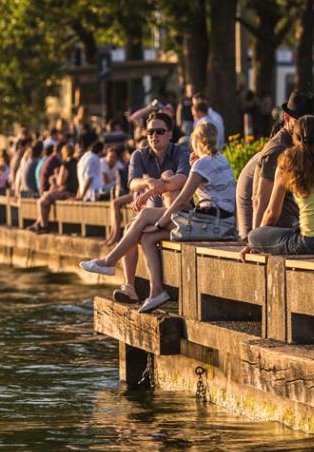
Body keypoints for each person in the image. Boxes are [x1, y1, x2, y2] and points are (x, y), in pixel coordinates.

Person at [81, 121, 233, 313]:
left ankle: (109, 261)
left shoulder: (202, 164)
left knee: (145, 214)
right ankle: (157, 291)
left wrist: (161, 223)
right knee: (146, 237)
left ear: (196, 141)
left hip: (211, 223)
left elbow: (180, 202)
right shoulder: (221, 159)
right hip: (219, 222)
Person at [81, 111, 189, 303]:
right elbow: (132, 183)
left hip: (178, 214)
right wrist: (148, 182)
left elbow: (181, 180)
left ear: (170, 134)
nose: (154, 136)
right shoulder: (139, 154)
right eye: (150, 133)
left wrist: (152, 189)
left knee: (166, 177)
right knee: (132, 227)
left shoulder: (181, 152)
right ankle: (130, 287)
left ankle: (111, 263)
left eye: (160, 131)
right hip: (154, 217)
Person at [245, 115, 314, 256]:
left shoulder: (288, 163)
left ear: (294, 138)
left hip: (308, 243)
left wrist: (258, 243)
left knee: (254, 235)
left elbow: (272, 214)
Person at [250, 92, 314, 234]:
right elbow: (260, 200)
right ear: (287, 118)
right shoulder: (278, 150)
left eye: (311, 120)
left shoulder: (300, 146)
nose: (306, 126)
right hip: (280, 229)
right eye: (300, 121)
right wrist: (255, 241)